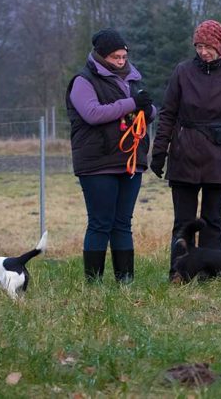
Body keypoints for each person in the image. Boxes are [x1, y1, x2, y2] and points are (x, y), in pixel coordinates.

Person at [150, 19, 221, 276]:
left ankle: (210, 274)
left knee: (213, 221)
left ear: (220, 46)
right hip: (184, 155)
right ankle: (179, 271)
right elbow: (167, 114)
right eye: (198, 46)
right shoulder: (182, 71)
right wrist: (159, 152)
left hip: (220, 158)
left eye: (208, 46)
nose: (202, 51)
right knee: (183, 222)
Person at [66, 28, 155, 284]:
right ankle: (93, 283)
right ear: (102, 56)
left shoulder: (132, 78)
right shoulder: (83, 81)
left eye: (123, 56)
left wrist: (148, 110)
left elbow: (146, 109)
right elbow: (93, 114)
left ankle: (125, 281)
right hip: (97, 163)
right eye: (116, 57)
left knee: (122, 223)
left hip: (130, 161)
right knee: (100, 223)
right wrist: (131, 104)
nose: (121, 61)